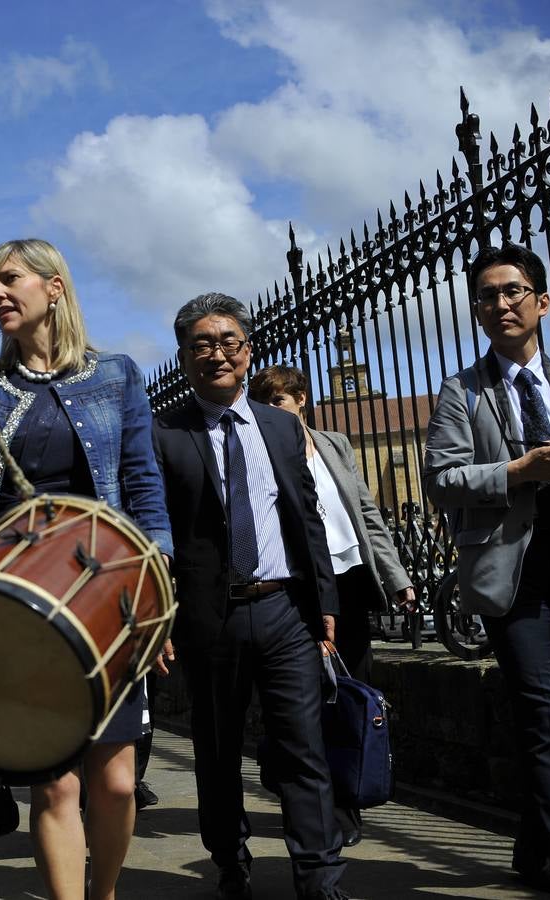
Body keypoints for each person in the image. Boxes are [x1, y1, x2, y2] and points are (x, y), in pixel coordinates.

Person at [0, 237, 173, 900]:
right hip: (20, 601)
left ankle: (102, 892)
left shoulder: (116, 376)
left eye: (9, 280)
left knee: (113, 781)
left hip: (107, 597)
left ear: (54, 288)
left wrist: (159, 594)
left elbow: (143, 485)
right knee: (54, 779)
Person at [423, 244, 550, 900]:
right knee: (541, 719)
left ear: (542, 301)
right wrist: (518, 472)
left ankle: (532, 843)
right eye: (487, 296)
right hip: (510, 572)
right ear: (477, 313)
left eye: (513, 291)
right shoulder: (462, 392)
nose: (500, 303)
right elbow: (441, 480)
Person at [151, 293, 348, 900]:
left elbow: (306, 518)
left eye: (228, 341)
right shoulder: (164, 436)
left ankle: (318, 877)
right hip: (210, 619)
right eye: (202, 344)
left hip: (286, 609)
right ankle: (230, 861)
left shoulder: (283, 428)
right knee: (216, 751)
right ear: (184, 357)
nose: (217, 354)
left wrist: (327, 604)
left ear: (248, 349)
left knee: (303, 747)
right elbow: (154, 534)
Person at [248, 363, 415, 846]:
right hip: (301, 587)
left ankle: (344, 799)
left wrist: (396, 576)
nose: (272, 410)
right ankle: (315, 800)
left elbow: (364, 511)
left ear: (301, 400)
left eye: (279, 400)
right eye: (263, 402)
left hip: (351, 578)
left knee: (353, 692)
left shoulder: (335, 444)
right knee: (306, 696)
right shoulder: (261, 452)